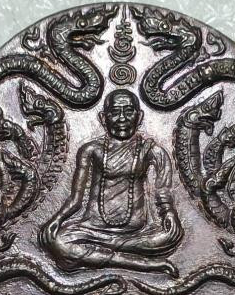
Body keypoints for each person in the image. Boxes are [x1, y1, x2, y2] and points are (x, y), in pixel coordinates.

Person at [39, 89, 183, 277]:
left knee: (172, 235)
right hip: (93, 230)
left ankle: (95, 256)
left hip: (136, 234)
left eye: (128, 111)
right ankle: (144, 264)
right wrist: (56, 219)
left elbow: (163, 189)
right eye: (115, 112)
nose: (122, 118)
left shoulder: (152, 150)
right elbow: (76, 199)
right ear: (103, 118)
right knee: (56, 241)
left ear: (139, 117)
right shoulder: (91, 150)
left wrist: (169, 213)